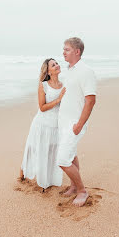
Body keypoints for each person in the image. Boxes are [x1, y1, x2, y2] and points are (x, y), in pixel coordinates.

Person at [57, 37, 97, 207]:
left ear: (77, 51)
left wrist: (79, 124)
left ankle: (82, 190)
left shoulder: (86, 71)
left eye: (66, 49)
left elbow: (90, 100)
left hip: (75, 123)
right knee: (71, 154)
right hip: (64, 122)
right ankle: (74, 186)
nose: (63, 52)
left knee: (62, 160)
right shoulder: (70, 70)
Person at [19, 58, 66, 189]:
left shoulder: (63, 85)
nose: (57, 65)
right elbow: (42, 107)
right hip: (41, 124)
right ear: (48, 71)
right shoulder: (43, 85)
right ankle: (22, 174)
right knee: (33, 148)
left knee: (51, 152)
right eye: (53, 65)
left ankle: (47, 179)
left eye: (56, 63)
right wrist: (59, 99)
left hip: (56, 126)